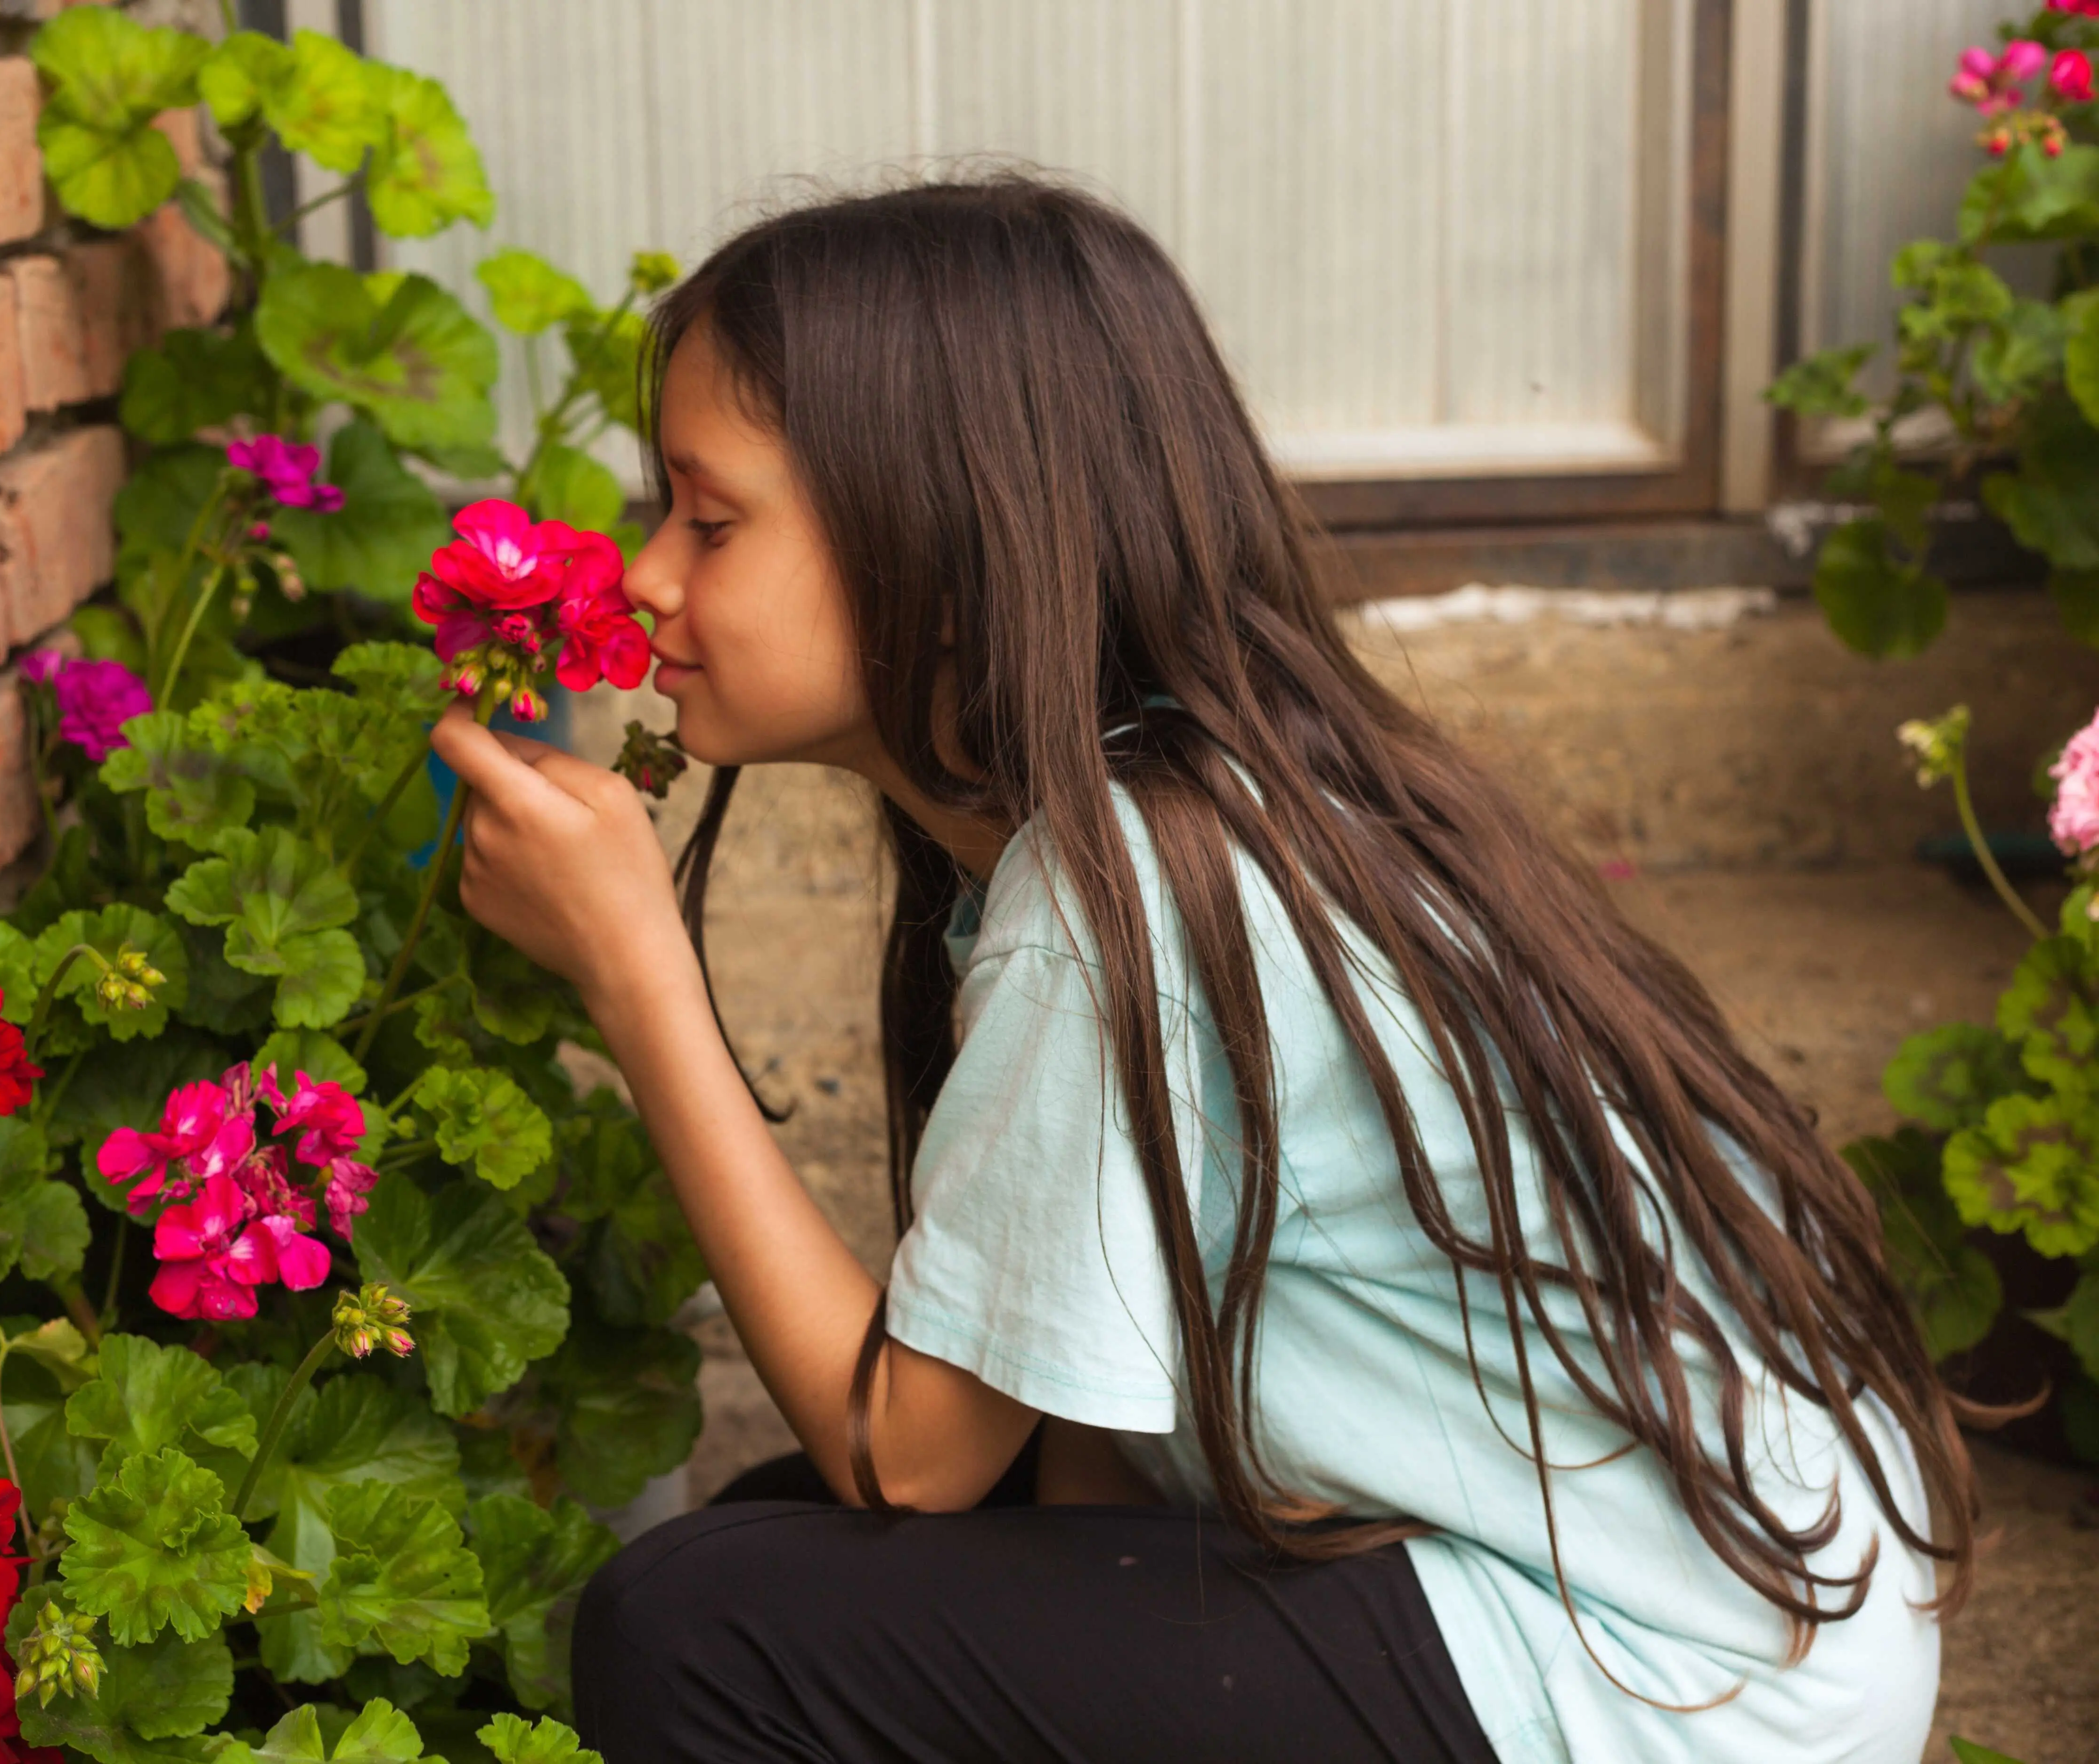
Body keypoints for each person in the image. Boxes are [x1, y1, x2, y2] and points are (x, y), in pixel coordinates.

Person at [426, 177, 1980, 1764]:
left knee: (701, 1636)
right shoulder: (1184, 810)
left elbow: (909, 1456)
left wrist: (637, 968)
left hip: (1645, 1692)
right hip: (1748, 1630)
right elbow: (1080, 1418)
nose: (644, 575)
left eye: (712, 519)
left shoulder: (1122, 903)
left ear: (942, 540)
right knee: (796, 1560)